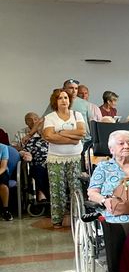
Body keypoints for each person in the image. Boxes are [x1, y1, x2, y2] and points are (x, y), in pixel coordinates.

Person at [41, 88, 85, 228]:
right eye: (60, 98)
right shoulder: (50, 117)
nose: (64, 100)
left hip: (75, 158)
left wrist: (60, 132)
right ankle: (57, 220)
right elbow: (48, 136)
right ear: (55, 101)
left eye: (66, 98)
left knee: (76, 188)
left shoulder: (77, 114)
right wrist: (72, 138)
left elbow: (82, 133)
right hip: (56, 159)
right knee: (57, 190)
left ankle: (78, 217)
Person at [18, 113, 50, 203]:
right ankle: (49, 199)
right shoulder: (32, 141)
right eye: (39, 129)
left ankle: (44, 196)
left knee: (52, 171)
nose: (41, 130)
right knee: (38, 170)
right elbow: (23, 151)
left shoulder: (54, 141)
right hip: (37, 165)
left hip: (52, 164)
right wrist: (25, 154)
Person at [0, 144, 13, 220]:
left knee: (3, 186)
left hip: (2, 171)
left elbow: (3, 167)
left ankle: (6, 211)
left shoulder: (3, 148)